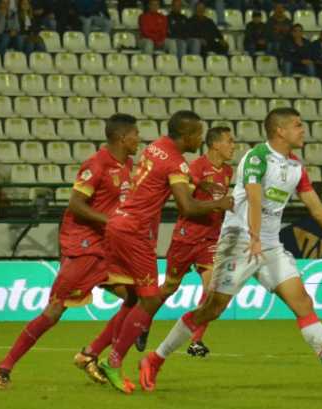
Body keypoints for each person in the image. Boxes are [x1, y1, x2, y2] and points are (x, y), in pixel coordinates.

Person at [139, 107, 322, 393]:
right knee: (211, 309)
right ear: (280, 131)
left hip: (269, 245)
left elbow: (316, 208)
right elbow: (253, 196)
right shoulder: (256, 158)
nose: (303, 130)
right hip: (240, 241)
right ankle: (155, 358)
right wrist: (255, 235)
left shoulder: (296, 167)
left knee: (303, 303)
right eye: (297, 125)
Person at [0, 114, 141, 389]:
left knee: (137, 296)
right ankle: (4, 366)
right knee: (54, 311)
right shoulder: (96, 164)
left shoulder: (129, 165)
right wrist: (111, 221)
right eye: (135, 134)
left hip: (108, 247)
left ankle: (90, 354)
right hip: (83, 246)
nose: (138, 139)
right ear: (122, 137)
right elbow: (75, 204)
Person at [96, 111, 234, 394]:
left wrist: (200, 187)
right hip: (134, 232)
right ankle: (113, 360)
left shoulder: (156, 146)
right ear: (186, 136)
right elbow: (188, 207)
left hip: (117, 223)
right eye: (198, 133)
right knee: (149, 301)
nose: (201, 138)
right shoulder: (178, 164)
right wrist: (223, 203)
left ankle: (97, 350)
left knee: (139, 298)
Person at [135, 127, 234, 354]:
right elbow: (186, 205)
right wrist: (213, 200)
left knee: (212, 290)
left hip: (210, 239)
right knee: (169, 287)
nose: (233, 146)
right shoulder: (196, 167)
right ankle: (143, 322)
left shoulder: (228, 171)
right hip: (186, 238)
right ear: (215, 144)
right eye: (229, 141)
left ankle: (195, 340)